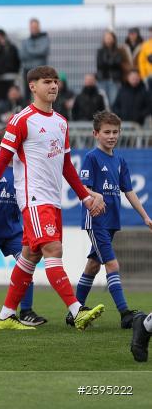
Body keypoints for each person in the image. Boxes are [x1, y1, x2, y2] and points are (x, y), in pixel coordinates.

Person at [0, 65, 106, 331]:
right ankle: (76, 310)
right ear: (32, 86)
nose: (54, 86)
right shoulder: (22, 119)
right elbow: (1, 161)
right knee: (53, 251)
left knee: (29, 256)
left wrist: (84, 197)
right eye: (47, 82)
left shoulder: (60, 122)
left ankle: (5, 316)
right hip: (33, 198)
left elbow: (66, 165)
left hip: (52, 200)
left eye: (55, 82)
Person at [74, 111, 152, 329]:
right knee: (112, 263)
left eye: (115, 132)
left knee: (92, 266)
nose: (111, 136)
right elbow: (82, 187)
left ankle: (74, 311)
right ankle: (125, 314)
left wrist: (145, 217)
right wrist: (94, 195)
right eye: (106, 132)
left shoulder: (119, 160)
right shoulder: (91, 157)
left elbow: (129, 191)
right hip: (96, 220)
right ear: (95, 134)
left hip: (111, 220)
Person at [0, 128, 44, 327]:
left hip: (14, 231)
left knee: (26, 266)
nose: (13, 147)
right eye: (8, 143)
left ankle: (26, 311)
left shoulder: (22, 170)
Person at [96, 30, 131, 106]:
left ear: (114, 39)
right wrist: (112, 61)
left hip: (115, 80)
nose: (108, 39)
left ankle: (113, 118)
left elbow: (118, 64)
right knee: (102, 103)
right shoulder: (100, 51)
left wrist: (109, 62)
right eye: (106, 38)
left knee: (113, 102)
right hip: (102, 80)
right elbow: (100, 65)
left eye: (110, 37)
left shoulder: (119, 51)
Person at [20, 18, 50, 94]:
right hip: (27, 72)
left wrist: (29, 50)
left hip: (40, 72)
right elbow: (22, 55)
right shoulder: (26, 40)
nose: (33, 29)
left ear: (39, 27)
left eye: (35, 27)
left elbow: (42, 51)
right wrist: (35, 53)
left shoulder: (45, 39)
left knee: (40, 93)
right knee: (27, 94)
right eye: (32, 27)